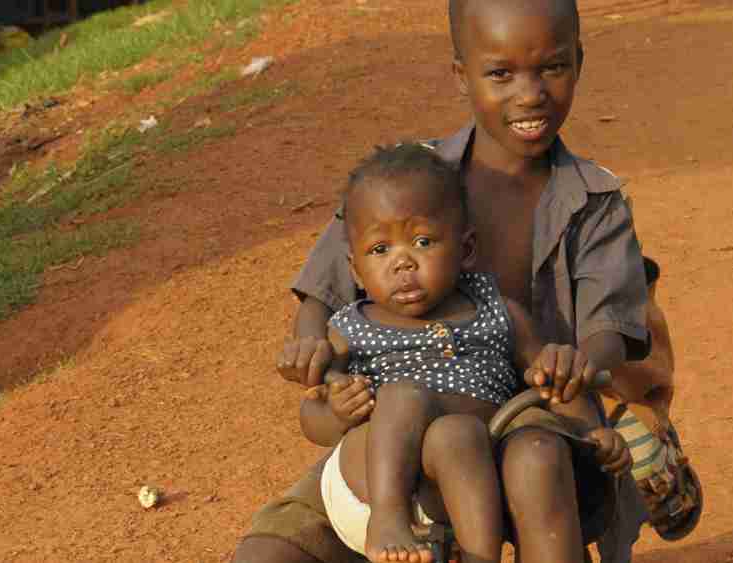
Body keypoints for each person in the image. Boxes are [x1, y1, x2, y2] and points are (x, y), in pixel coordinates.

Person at [233, 0, 698, 562]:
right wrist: (311, 350)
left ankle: (640, 438)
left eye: (552, 67)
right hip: (401, 436)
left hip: (536, 415)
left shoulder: (595, 200)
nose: (530, 94)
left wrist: (576, 364)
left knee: (541, 462)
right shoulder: (407, 180)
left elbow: (610, 330)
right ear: (461, 74)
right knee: (269, 552)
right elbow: (322, 296)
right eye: (500, 73)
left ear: (578, 62)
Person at [299, 143, 631, 563]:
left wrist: (590, 431)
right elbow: (312, 414)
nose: (402, 263)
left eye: (422, 241)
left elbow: (551, 380)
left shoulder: (498, 311)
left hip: (483, 455)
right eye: (380, 250)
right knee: (403, 395)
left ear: (466, 249)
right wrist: (336, 413)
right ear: (354, 269)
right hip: (393, 475)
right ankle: (389, 518)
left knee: (504, 443)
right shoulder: (350, 328)